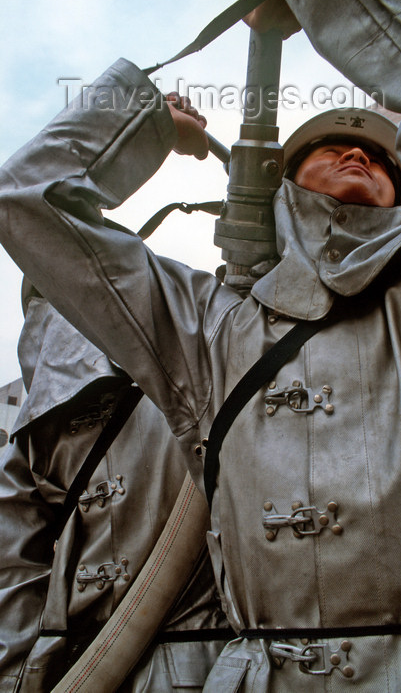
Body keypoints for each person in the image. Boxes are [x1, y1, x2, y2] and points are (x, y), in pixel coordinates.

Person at [1, 0, 401, 689]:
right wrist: (142, 119)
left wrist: (333, 1)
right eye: (329, 147)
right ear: (284, 193)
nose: (358, 150)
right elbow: (29, 201)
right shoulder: (209, 327)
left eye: (380, 158)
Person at [0, 289, 231, 692]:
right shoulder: (218, 372)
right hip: (222, 667)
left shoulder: (36, 433)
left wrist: (18, 681)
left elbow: (12, 570)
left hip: (93, 669)